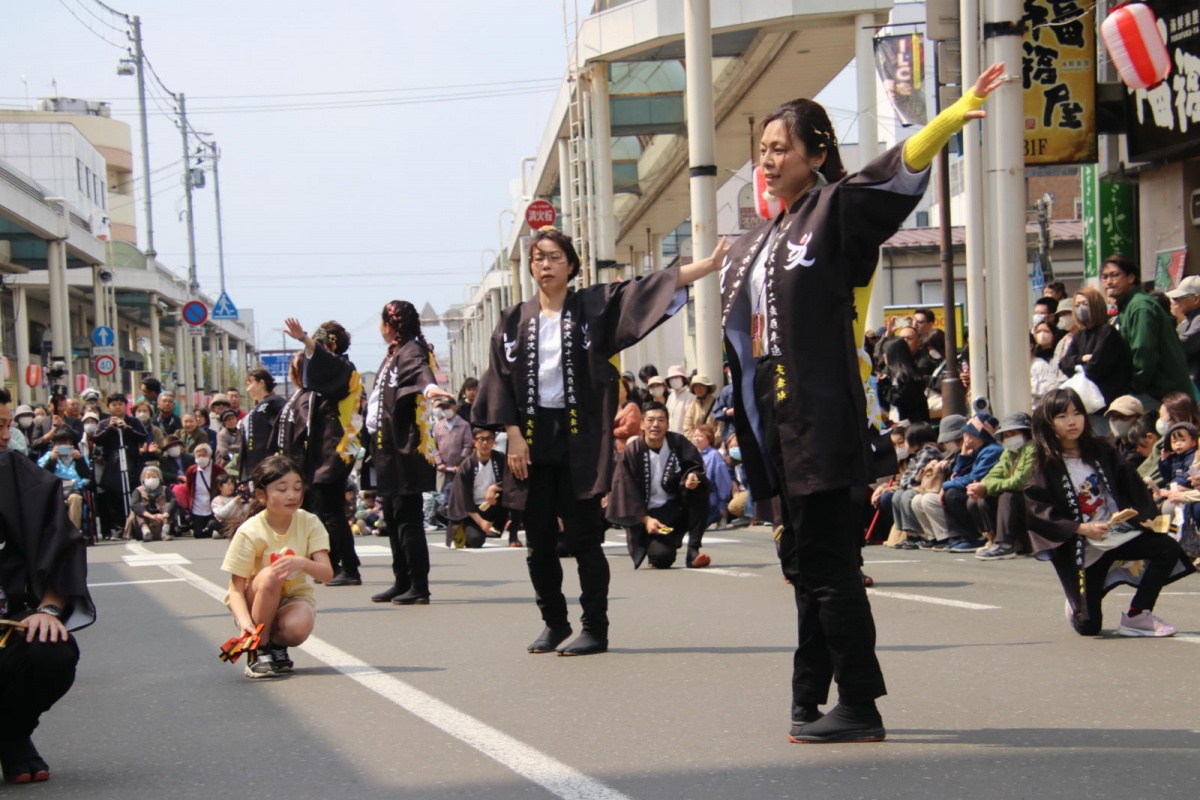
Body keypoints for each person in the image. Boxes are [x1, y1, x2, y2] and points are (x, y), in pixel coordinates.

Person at [717, 62, 1004, 743]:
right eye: (762, 152)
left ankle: (860, 702)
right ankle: (807, 696)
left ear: (817, 153)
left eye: (782, 147)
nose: (769, 160)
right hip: (777, 428)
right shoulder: (762, 238)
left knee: (828, 567)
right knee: (805, 564)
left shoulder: (834, 211)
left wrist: (943, 122)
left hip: (824, 421)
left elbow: (888, 171)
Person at [475, 225, 720, 657]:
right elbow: (497, 380)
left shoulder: (591, 306)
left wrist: (707, 265)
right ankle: (554, 622)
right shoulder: (512, 320)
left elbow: (644, 290)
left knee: (586, 538)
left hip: (579, 440)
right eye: (537, 258)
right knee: (538, 543)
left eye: (553, 257)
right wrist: (512, 434)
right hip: (529, 440)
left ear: (571, 265)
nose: (543, 265)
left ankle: (595, 628)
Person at [1024, 388, 1194, 636]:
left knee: (1167, 547)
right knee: (1089, 626)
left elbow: (1133, 486)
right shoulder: (1045, 465)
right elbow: (1038, 511)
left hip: (1117, 535)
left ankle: (1138, 614)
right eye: (1061, 416)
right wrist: (1081, 528)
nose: (1072, 421)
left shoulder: (1103, 450)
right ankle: (1080, 600)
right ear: (1048, 424)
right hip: (1085, 548)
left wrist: (1139, 517)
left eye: (1076, 413)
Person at [0, 388, 94, 785]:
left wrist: (49, 609)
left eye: (6, 424)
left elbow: (62, 543)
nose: (6, 436)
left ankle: (11, 734)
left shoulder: (15, 472)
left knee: (51, 650)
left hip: (9, 621)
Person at [364, 300, 451, 603]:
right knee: (392, 515)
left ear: (391, 324)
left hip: (403, 447)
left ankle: (418, 586)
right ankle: (401, 580)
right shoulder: (394, 353)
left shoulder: (411, 349)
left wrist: (429, 388)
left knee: (407, 517)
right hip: (385, 445)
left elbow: (420, 371)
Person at [221, 455, 334, 678]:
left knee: (298, 627)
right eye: (281, 489)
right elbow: (235, 589)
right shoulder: (250, 531)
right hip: (255, 600)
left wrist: (302, 562)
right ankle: (258, 650)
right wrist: (244, 623)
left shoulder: (309, 521)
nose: (292, 495)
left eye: (297, 487)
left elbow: (327, 574)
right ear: (261, 495)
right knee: (272, 575)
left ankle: (276, 646)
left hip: (292, 598)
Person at [277, 318, 365, 587]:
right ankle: (336, 565)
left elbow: (325, 360)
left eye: (320, 345)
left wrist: (304, 338)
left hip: (337, 448)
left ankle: (347, 568)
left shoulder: (344, 368)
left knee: (331, 511)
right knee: (326, 510)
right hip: (327, 449)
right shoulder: (326, 380)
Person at [607, 402, 711, 569]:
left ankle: (693, 550)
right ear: (642, 424)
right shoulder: (632, 451)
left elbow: (695, 467)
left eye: (661, 420)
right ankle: (655, 545)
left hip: (677, 507)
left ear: (668, 424)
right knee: (662, 558)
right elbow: (625, 491)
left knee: (700, 489)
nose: (655, 424)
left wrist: (693, 476)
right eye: (651, 420)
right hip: (649, 514)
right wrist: (646, 519)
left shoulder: (678, 443)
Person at [1101, 254, 1199, 408]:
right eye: (1104, 277)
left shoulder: (1140, 306)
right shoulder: (1128, 306)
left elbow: (1144, 351)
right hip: (1157, 392)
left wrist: (1135, 387)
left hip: (1161, 395)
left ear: (1131, 277)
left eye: (1114, 275)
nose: (1109, 282)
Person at [1059, 286, 1132, 420]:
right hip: (1087, 407)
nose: (1081, 308)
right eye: (1077, 305)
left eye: (1085, 304)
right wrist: (1082, 359)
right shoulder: (1079, 335)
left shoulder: (1107, 332)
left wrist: (1076, 364)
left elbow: (1096, 367)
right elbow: (1063, 364)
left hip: (1106, 405)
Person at [970, 413, 1036, 560]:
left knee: (1008, 495)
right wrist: (983, 486)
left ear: (1026, 434)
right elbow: (992, 476)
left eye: (1014, 433)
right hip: (1022, 505)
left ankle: (1005, 544)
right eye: (1006, 435)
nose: (1009, 438)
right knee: (984, 497)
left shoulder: (1033, 448)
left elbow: (1019, 482)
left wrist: (986, 486)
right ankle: (1001, 540)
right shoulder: (1009, 452)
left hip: (1037, 501)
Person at [937, 413, 1003, 552]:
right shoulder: (978, 451)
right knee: (951, 492)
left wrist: (945, 485)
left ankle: (972, 537)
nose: (965, 437)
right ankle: (960, 537)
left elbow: (974, 477)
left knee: (953, 494)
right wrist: (963, 455)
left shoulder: (992, 451)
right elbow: (957, 475)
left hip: (987, 490)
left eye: (968, 433)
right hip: (977, 488)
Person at [447, 427, 517, 548]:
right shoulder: (467, 465)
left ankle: (513, 534)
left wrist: (495, 487)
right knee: (475, 540)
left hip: (496, 506)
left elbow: (512, 480)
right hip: (474, 510)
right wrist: (481, 522)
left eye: (489, 439)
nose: (485, 443)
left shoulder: (500, 458)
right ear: (474, 442)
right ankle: (466, 526)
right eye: (481, 439)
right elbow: (464, 498)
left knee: (519, 496)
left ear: (494, 441)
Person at [92, 393, 148, 539]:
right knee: (113, 495)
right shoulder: (103, 423)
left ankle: (136, 523)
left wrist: (127, 428)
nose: (117, 407)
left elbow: (143, 436)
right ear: (109, 407)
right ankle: (118, 526)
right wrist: (110, 428)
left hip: (132, 462)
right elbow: (97, 440)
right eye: (114, 404)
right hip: (113, 464)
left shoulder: (134, 421)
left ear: (126, 406)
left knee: (134, 493)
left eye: (120, 404)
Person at [887, 422, 941, 549]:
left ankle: (917, 533)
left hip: (925, 487)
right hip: (915, 486)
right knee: (898, 495)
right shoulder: (916, 455)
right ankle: (909, 534)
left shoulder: (928, 451)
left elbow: (913, 477)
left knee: (906, 495)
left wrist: (907, 485)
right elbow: (906, 478)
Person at [37, 430, 91, 532]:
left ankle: (73, 531)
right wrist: (52, 460)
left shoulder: (78, 455)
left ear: (70, 443)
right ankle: (58, 532)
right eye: (59, 443)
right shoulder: (49, 456)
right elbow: (42, 475)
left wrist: (79, 460)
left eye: (65, 443)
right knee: (56, 501)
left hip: (73, 489)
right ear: (54, 444)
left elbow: (86, 475)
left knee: (76, 499)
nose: (63, 445)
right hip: (55, 490)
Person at [241, 368, 286, 482]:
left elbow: (285, 426)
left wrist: (280, 451)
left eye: (250, 383)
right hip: (255, 465)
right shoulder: (256, 408)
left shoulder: (274, 402)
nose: (247, 389)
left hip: (271, 462)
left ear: (261, 383)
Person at [877, 337, 931, 423]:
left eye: (886, 353)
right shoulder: (892, 372)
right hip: (899, 421)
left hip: (911, 424)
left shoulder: (907, 375)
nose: (884, 356)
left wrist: (885, 386)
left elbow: (897, 399)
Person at [692, 423, 733, 530]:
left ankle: (718, 515)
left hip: (709, 501)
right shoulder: (692, 455)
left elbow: (722, 480)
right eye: (695, 436)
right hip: (694, 501)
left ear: (709, 438)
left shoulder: (714, 455)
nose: (697, 439)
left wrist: (722, 505)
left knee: (696, 527)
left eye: (700, 436)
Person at [433, 397, 472, 504]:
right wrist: (439, 462)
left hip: (457, 468)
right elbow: (433, 446)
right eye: (443, 407)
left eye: (447, 407)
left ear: (455, 407)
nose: (445, 410)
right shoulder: (438, 425)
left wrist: (459, 463)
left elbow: (467, 445)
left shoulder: (464, 425)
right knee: (441, 496)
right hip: (443, 468)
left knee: (458, 495)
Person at [1167, 275, 1200, 390]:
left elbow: (1185, 343)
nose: (1176, 302)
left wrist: (1181, 321)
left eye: (1179, 298)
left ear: (1195, 299)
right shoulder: (1191, 318)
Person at [127, 465, 175, 541]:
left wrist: (165, 514)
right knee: (138, 509)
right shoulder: (138, 490)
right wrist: (150, 516)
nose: (151, 479)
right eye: (148, 477)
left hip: (161, 519)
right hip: (145, 520)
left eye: (154, 476)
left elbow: (174, 501)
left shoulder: (165, 489)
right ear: (143, 479)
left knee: (168, 505)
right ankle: (146, 532)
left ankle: (165, 531)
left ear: (159, 477)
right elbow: (134, 504)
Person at [1030, 320, 1063, 403]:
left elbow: (1051, 388)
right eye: (1038, 331)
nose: (1042, 334)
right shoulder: (1034, 357)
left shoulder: (1040, 364)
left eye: (1046, 331)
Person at [682, 374, 717, 439]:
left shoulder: (716, 403)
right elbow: (687, 427)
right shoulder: (692, 406)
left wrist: (712, 443)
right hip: (696, 444)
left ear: (707, 387)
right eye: (695, 386)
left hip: (713, 445)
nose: (699, 389)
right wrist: (695, 442)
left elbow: (720, 427)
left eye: (701, 385)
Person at [613, 379, 642, 455]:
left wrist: (612, 431)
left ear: (627, 391)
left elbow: (629, 429)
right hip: (616, 450)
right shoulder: (613, 408)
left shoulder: (631, 407)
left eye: (620, 387)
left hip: (629, 450)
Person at [664, 365, 695, 436]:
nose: (674, 380)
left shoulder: (690, 396)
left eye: (676, 377)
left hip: (684, 437)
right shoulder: (671, 396)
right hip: (670, 436)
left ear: (683, 379)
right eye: (671, 378)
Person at [216, 409, 243, 475]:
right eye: (228, 419)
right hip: (225, 464)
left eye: (233, 419)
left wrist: (232, 447)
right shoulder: (222, 434)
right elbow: (224, 453)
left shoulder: (241, 432)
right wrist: (234, 455)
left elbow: (244, 447)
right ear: (224, 423)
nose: (231, 421)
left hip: (239, 463)